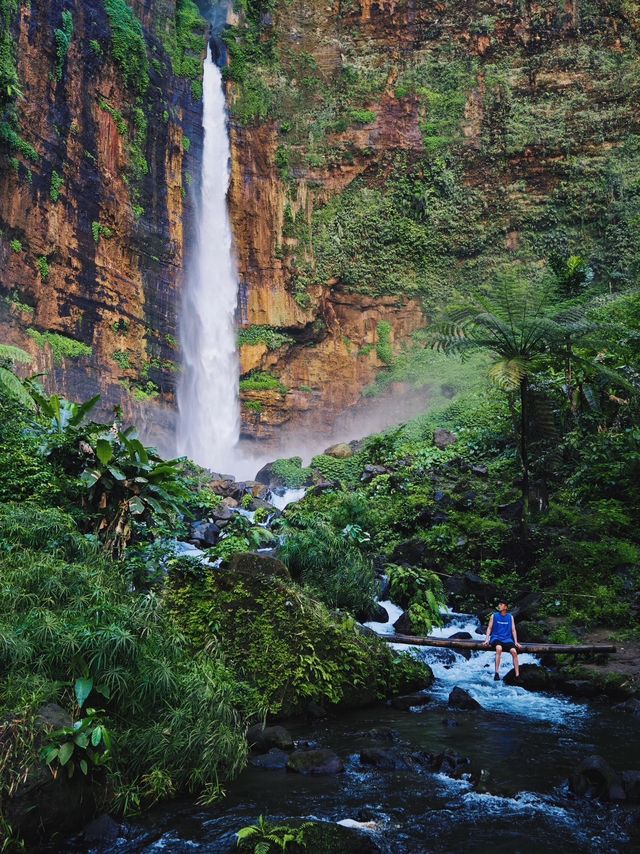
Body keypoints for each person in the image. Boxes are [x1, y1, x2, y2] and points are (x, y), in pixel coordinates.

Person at [482, 599, 522, 681]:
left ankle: (517, 676)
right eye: (499, 604)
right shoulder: (494, 616)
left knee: (514, 651)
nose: (499, 606)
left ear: (505, 607)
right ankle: (496, 673)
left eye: (501, 604)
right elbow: (489, 628)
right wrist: (486, 640)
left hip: (507, 639)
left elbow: (513, 630)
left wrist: (516, 642)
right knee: (499, 648)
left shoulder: (510, 617)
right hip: (496, 638)